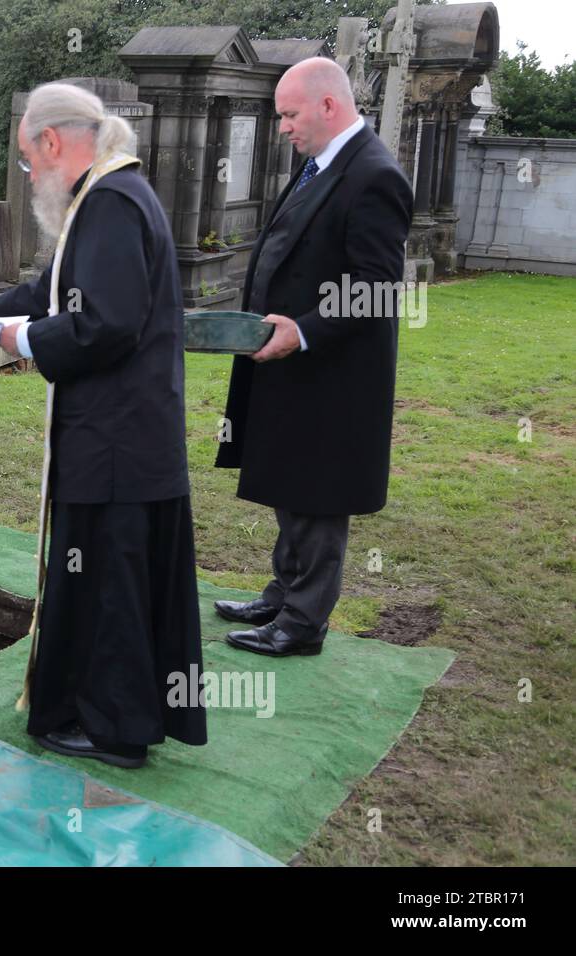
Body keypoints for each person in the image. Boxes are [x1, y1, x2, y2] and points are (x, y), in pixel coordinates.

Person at [0, 82, 206, 769]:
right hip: (124, 438)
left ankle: (113, 726)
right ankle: (98, 711)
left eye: (26, 164)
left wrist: (23, 342)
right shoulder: (108, 197)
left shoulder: (108, 202)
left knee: (112, 587)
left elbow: (104, 325)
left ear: (52, 142)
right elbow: (52, 291)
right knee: (106, 577)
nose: (29, 180)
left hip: (115, 442)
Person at [214, 57, 413, 657]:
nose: (283, 127)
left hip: (331, 371)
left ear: (328, 106)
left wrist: (300, 332)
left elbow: (376, 287)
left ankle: (304, 623)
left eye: (289, 114)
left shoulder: (374, 175)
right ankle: (283, 591)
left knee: (318, 492)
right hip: (287, 362)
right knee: (287, 477)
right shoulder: (320, 164)